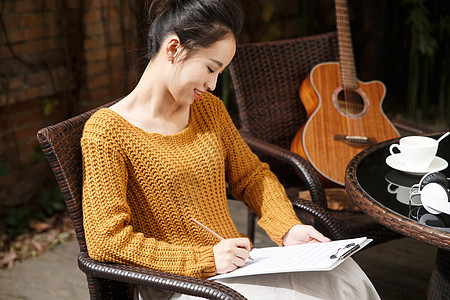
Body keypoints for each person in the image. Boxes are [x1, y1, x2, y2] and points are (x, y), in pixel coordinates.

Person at [81, 0, 380, 299]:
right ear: (173, 49)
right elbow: (106, 241)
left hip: (237, 267)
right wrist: (205, 259)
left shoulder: (207, 109)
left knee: (344, 273)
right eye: (211, 68)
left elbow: (252, 176)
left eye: (220, 73)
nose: (212, 84)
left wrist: (288, 228)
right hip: (178, 284)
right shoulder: (107, 132)